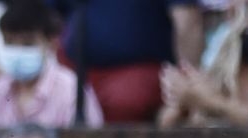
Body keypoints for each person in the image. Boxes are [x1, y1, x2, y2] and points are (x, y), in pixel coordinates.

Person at [61, 0, 204, 122]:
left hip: (139, 72)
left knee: (124, 106)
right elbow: (51, 19)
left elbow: (187, 23)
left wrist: (188, 88)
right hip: (76, 70)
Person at [0, 0, 103, 128]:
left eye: (28, 43)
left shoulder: (72, 92)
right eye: (10, 43)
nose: (18, 51)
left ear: (51, 43)